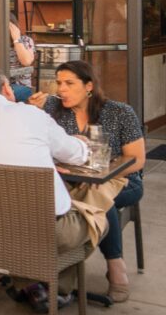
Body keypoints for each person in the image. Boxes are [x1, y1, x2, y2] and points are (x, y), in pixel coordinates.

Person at [0, 64, 96, 312]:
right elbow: (75, 156)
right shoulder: (32, 116)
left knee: (22, 220)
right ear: (7, 88)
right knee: (97, 222)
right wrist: (81, 143)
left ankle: (29, 282)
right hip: (41, 230)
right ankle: (52, 287)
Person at [30, 60, 145, 302]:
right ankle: (53, 265)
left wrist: (103, 176)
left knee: (101, 198)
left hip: (122, 180)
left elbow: (137, 160)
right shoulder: (52, 108)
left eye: (69, 83)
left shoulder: (119, 112)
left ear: (89, 86)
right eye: (59, 83)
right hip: (70, 181)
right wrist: (32, 112)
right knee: (82, 196)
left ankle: (115, 266)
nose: (61, 89)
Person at [0, 13, 35, 103]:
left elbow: (26, 62)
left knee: (0, 95)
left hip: (19, 85)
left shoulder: (26, 40)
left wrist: (16, 39)